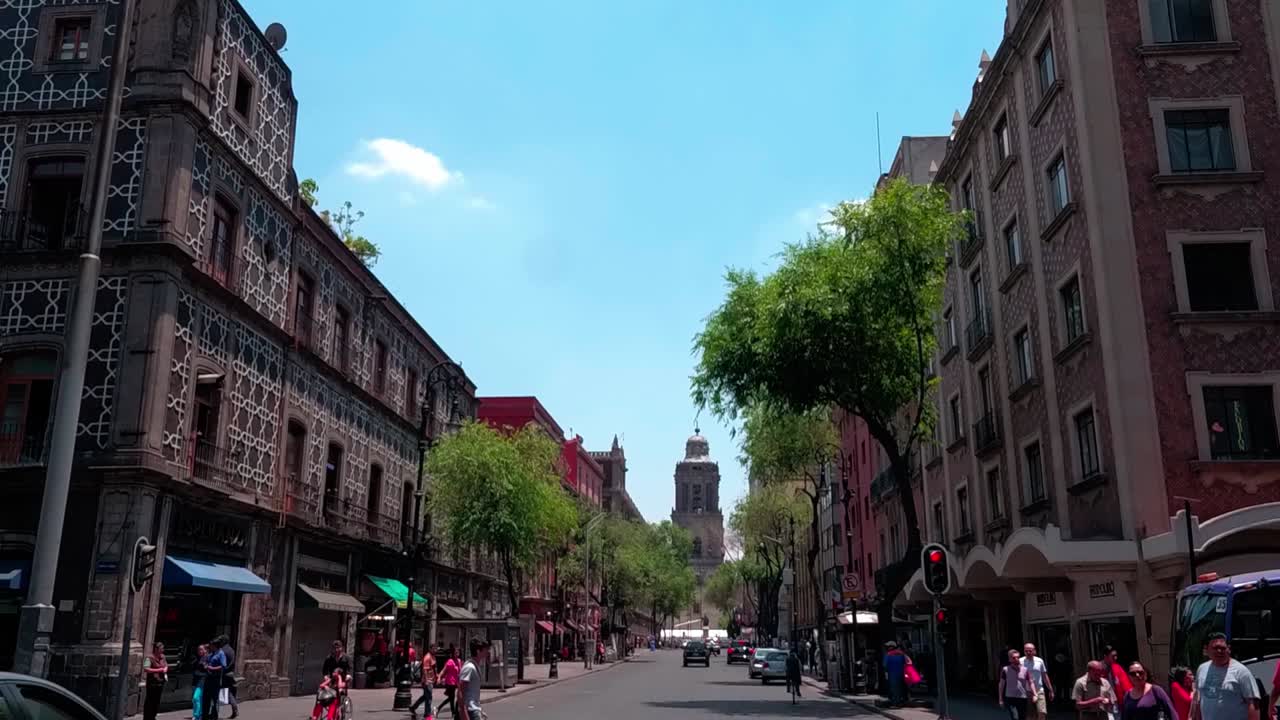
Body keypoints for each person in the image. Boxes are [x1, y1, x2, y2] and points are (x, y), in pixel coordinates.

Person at [1192, 633, 1259, 720]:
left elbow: (1253, 704)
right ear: (1207, 650)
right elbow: (1198, 698)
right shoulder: (1202, 669)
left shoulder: (1241, 672)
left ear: (1229, 649)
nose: (1219, 651)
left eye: (1223, 648)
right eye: (1215, 648)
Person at [999, 648, 1037, 720]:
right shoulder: (1005, 670)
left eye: (1018, 657)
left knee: (1022, 717)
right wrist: (1000, 699)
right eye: (1014, 658)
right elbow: (1001, 684)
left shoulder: (1025, 669)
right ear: (1009, 659)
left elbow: (1031, 682)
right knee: (1015, 717)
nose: (1016, 659)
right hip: (1010, 698)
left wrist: (1035, 694)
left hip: (1022, 698)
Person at [457, 638, 489, 720]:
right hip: (470, 711)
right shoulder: (469, 667)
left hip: (474, 709)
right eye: (485, 650)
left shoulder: (475, 666)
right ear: (478, 651)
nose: (487, 652)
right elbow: (460, 691)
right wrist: (464, 712)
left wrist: (480, 711)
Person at [1022, 643, 1055, 720]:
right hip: (1026, 691)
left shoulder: (1039, 661)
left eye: (1030, 651)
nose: (1028, 653)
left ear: (1034, 651)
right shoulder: (1020, 662)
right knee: (1030, 715)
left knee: (1042, 712)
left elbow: (1044, 676)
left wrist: (1051, 690)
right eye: (1026, 651)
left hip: (1039, 690)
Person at [410, 643, 437, 720]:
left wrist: (436, 676)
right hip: (427, 680)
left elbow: (434, 668)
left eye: (436, 649)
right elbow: (425, 670)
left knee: (425, 696)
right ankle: (427, 714)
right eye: (434, 649)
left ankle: (413, 707)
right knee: (429, 697)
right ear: (430, 649)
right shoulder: (427, 657)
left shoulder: (433, 656)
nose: (435, 650)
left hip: (431, 680)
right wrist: (426, 680)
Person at [203, 637, 228, 720]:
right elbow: (207, 660)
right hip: (208, 678)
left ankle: (214, 716)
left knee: (215, 699)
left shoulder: (221, 654)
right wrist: (205, 664)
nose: (210, 646)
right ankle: (205, 715)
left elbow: (223, 666)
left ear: (215, 645)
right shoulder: (211, 653)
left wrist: (211, 668)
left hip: (215, 679)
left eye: (211, 645)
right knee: (206, 697)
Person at [142, 642, 168, 720]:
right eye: (161, 648)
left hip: (160, 682)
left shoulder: (163, 657)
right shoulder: (149, 657)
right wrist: (159, 670)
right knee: (150, 701)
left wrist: (166, 668)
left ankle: (153, 716)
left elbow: (166, 665)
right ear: (156, 649)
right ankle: (147, 717)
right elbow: (146, 669)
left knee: (156, 701)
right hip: (152, 683)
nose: (163, 650)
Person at [217, 635, 239, 719]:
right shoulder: (231, 650)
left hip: (223, 674)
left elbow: (222, 664)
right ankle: (234, 709)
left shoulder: (222, 650)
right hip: (229, 674)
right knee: (229, 692)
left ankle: (214, 712)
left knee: (218, 692)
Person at [435, 647, 460, 719]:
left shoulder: (458, 661)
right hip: (450, 682)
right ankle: (453, 714)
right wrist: (439, 677)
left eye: (458, 652)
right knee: (451, 698)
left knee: (451, 698)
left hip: (455, 682)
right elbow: (443, 670)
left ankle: (440, 709)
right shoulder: (450, 661)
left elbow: (460, 672)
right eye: (456, 652)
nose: (457, 653)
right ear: (453, 653)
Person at [884, 641, 908, 707]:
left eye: (888, 647)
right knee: (901, 687)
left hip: (892, 674)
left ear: (891, 647)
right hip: (901, 674)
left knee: (893, 689)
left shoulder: (888, 655)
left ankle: (895, 703)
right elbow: (906, 663)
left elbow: (885, 665)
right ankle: (901, 701)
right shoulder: (902, 654)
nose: (887, 648)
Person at [192, 644, 209, 720]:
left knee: (196, 697)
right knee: (198, 698)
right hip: (196, 679)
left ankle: (197, 715)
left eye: (201, 649)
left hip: (202, 679)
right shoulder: (197, 658)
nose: (199, 651)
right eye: (198, 649)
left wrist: (205, 666)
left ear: (205, 650)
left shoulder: (207, 658)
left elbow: (207, 669)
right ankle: (199, 714)